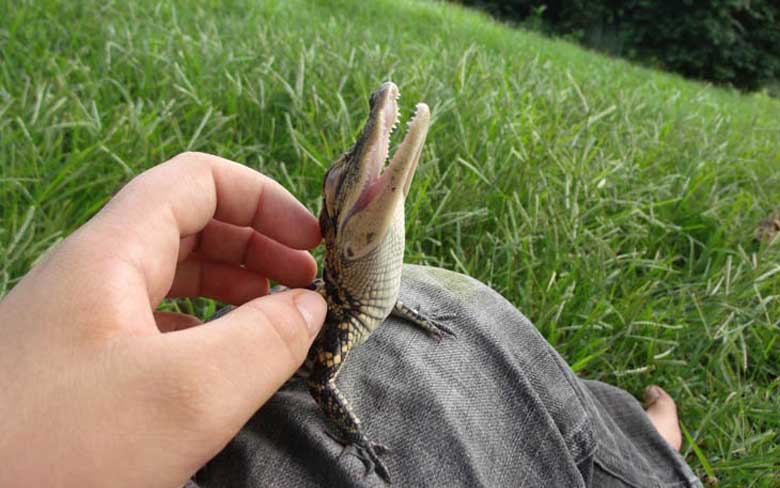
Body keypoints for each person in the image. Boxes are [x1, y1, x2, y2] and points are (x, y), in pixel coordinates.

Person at [0, 153, 701, 487]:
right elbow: (324, 385)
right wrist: (356, 441)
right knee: (455, 342)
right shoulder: (316, 320)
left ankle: (622, 445)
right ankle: (636, 457)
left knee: (438, 318)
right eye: (342, 181)